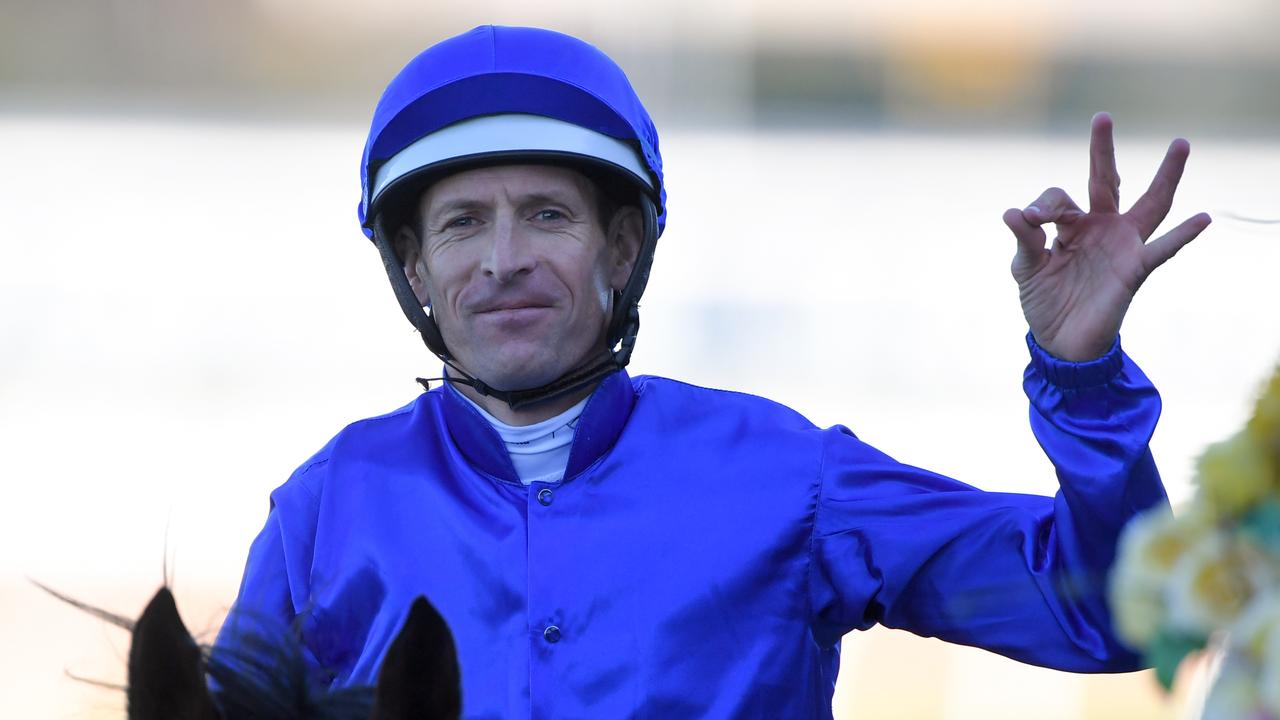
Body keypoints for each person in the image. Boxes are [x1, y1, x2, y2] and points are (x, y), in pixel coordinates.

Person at [214, 24, 1211, 718]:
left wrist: (1080, 383)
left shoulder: (787, 477)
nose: (503, 258)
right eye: (461, 223)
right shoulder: (326, 508)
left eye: (546, 215)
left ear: (618, 249)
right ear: (414, 269)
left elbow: (1112, 616)